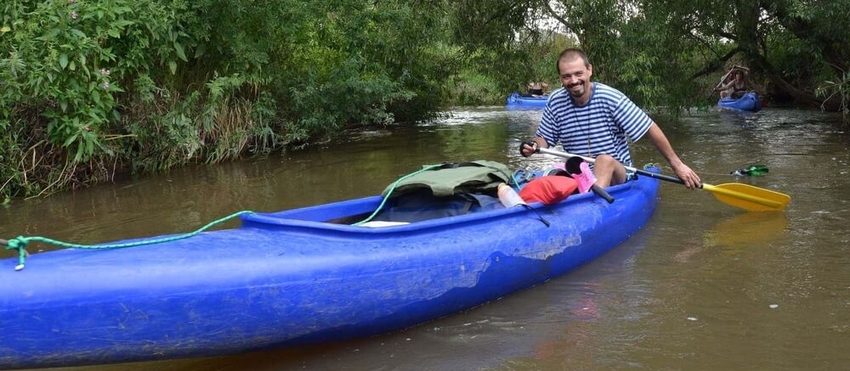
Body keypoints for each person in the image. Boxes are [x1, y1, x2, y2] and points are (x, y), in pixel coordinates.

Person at [520, 48, 700, 189]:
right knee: (552, 172)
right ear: (561, 78)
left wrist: (677, 165)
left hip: (617, 174)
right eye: (567, 76)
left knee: (603, 160)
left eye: (578, 73)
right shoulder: (555, 101)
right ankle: (584, 193)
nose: (573, 81)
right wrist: (534, 147)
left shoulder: (611, 98)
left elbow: (649, 128)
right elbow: (544, 139)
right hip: (580, 174)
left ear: (589, 70)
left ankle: (592, 205)